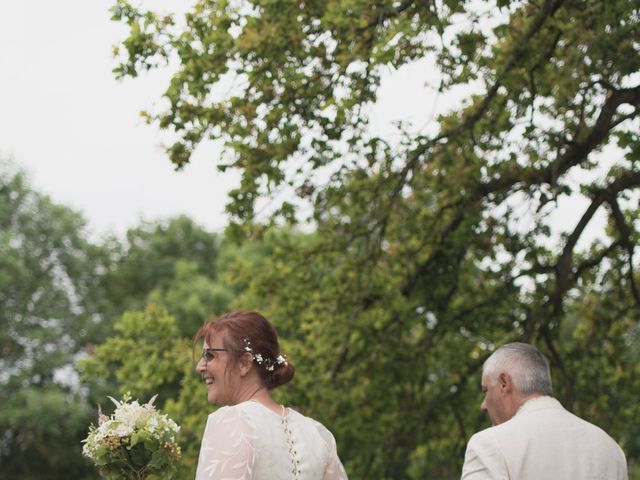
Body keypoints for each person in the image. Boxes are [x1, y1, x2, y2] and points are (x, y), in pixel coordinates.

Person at [193, 310, 348, 480]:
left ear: (244, 363)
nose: (200, 366)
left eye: (210, 355)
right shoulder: (318, 435)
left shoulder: (233, 421)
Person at [461, 342, 628, 480]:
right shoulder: (610, 449)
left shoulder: (488, 445)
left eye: (485, 390)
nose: (483, 405)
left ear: (504, 383)